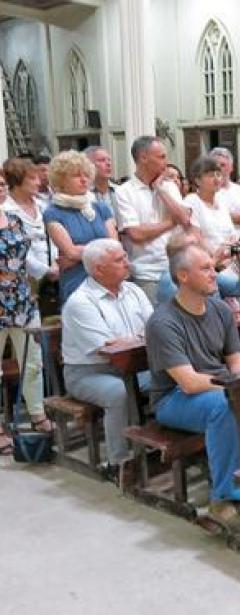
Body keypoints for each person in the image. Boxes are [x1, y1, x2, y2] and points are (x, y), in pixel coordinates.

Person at [146, 242, 240, 523]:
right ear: (182, 275)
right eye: (205, 268)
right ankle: (224, 497)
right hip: (174, 398)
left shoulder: (220, 310)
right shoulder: (163, 321)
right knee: (224, 409)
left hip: (224, 389)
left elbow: (236, 360)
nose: (214, 273)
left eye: (212, 267)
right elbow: (188, 382)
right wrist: (237, 393)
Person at [61, 239, 152, 480]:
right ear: (98, 269)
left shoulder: (133, 290)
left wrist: (130, 338)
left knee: (172, 376)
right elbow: (107, 348)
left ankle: (158, 446)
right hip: (88, 373)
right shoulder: (80, 302)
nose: (127, 263)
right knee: (118, 393)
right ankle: (119, 462)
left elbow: (155, 328)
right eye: (119, 260)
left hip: (134, 364)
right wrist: (137, 337)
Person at [114, 136, 191, 303]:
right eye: (161, 157)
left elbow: (185, 219)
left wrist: (161, 190)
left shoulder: (169, 186)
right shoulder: (124, 192)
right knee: (155, 324)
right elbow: (136, 233)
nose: (166, 161)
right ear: (143, 158)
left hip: (176, 268)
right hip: (147, 272)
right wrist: (170, 223)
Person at [0, 204, 49, 456]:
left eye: (1, 184)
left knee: (33, 362)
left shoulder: (14, 220)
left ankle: (37, 413)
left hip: (21, 300)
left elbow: (25, 258)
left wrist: (45, 271)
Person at [43, 150, 118, 304]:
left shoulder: (100, 208)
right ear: (61, 180)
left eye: (86, 175)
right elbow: (70, 252)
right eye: (76, 175)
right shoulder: (53, 212)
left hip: (108, 276)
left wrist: (82, 254)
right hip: (77, 279)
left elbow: (115, 246)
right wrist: (101, 251)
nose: (83, 180)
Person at [155, 227, 240, 305]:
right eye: (195, 246)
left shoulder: (209, 273)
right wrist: (213, 263)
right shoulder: (169, 279)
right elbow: (188, 306)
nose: (202, 248)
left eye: (200, 244)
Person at [2, 158, 59, 287]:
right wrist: (44, 270)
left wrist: (54, 262)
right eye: (33, 178)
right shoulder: (5, 210)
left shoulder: (43, 206)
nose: (39, 183)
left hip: (54, 275)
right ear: (17, 181)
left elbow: (52, 238)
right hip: (22, 279)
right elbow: (14, 249)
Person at [184, 156, 239, 254]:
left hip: (228, 258)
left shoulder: (222, 201)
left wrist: (230, 256)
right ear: (198, 180)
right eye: (210, 175)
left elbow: (232, 235)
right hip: (205, 260)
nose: (216, 179)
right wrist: (217, 259)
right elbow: (196, 237)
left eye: (218, 175)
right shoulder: (191, 201)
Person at [209, 147, 240, 235]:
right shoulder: (207, 190)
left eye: (223, 165)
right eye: (215, 165)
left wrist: (223, 215)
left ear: (231, 168)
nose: (219, 168)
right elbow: (211, 220)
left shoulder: (239, 189)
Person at [84, 146, 118, 214]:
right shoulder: (83, 193)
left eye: (109, 160)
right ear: (89, 165)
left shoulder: (119, 191)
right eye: (102, 160)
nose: (108, 164)